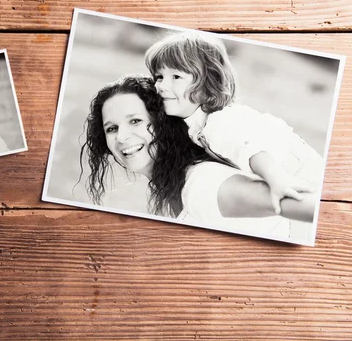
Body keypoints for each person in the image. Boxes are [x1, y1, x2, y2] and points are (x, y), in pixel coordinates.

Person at [81, 76, 317, 242]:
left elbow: (305, 205)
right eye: (111, 128)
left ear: (164, 123)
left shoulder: (201, 183)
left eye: (135, 121)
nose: (121, 137)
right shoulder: (176, 184)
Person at [145, 31, 324, 214]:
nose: (161, 86)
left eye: (176, 77)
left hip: (305, 177)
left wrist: (277, 179)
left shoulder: (221, 120)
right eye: (159, 77)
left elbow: (253, 149)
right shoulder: (195, 123)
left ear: (208, 84)